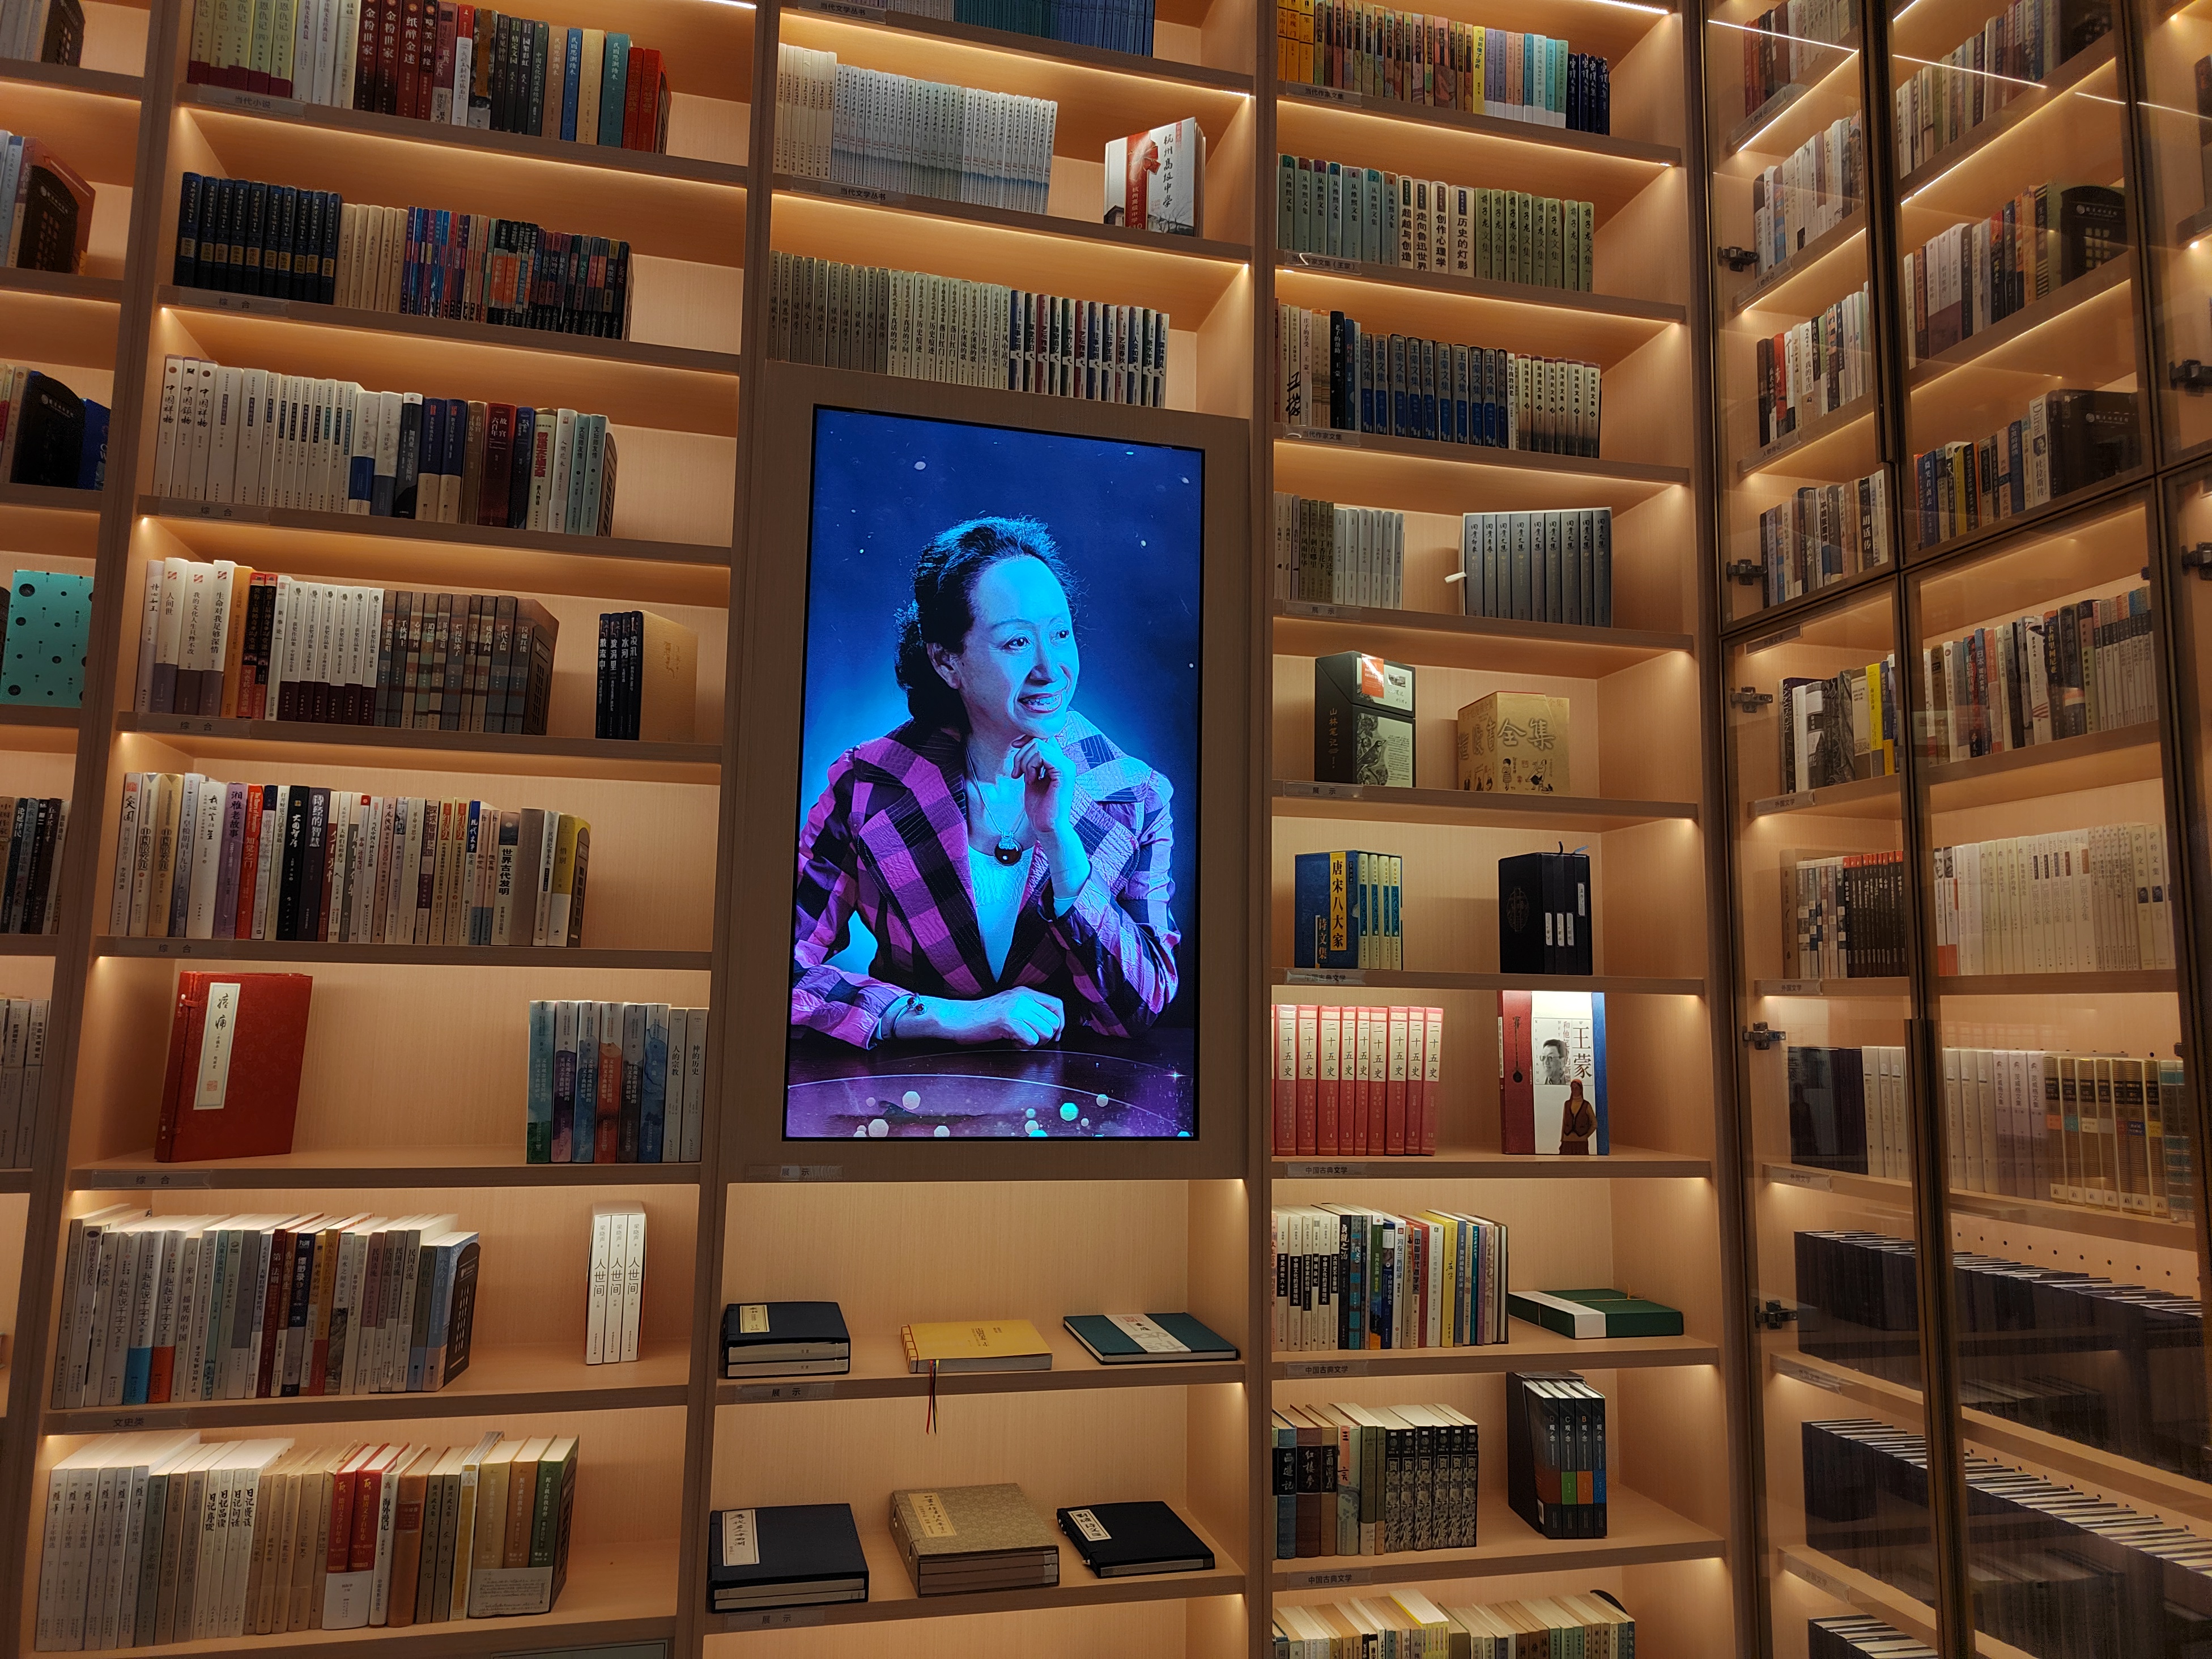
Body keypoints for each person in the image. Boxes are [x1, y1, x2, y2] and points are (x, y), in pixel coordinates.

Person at [791, 517, 1179, 1049]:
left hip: (1078, 1095)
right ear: (947, 662)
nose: (1050, 669)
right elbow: (777, 971)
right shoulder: (867, 785)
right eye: (1017, 642)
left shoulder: (1136, 795)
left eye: (1061, 634)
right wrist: (939, 1017)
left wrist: (1062, 848)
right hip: (907, 1091)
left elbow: (1138, 1009)